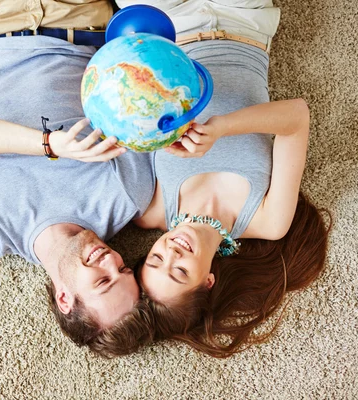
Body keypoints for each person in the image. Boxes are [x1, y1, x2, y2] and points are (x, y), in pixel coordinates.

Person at [0, 0, 155, 356]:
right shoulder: (127, 196)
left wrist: (48, 144)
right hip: (78, 22)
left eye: (102, 280)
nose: (111, 260)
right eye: (124, 269)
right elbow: (137, 89)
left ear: (65, 298)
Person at [116, 1, 331, 357]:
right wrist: (223, 128)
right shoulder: (269, 221)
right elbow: (296, 117)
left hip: (171, 32)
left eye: (155, 260)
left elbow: (130, 120)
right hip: (245, 24)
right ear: (208, 281)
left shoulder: (150, 210)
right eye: (180, 272)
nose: (171, 252)